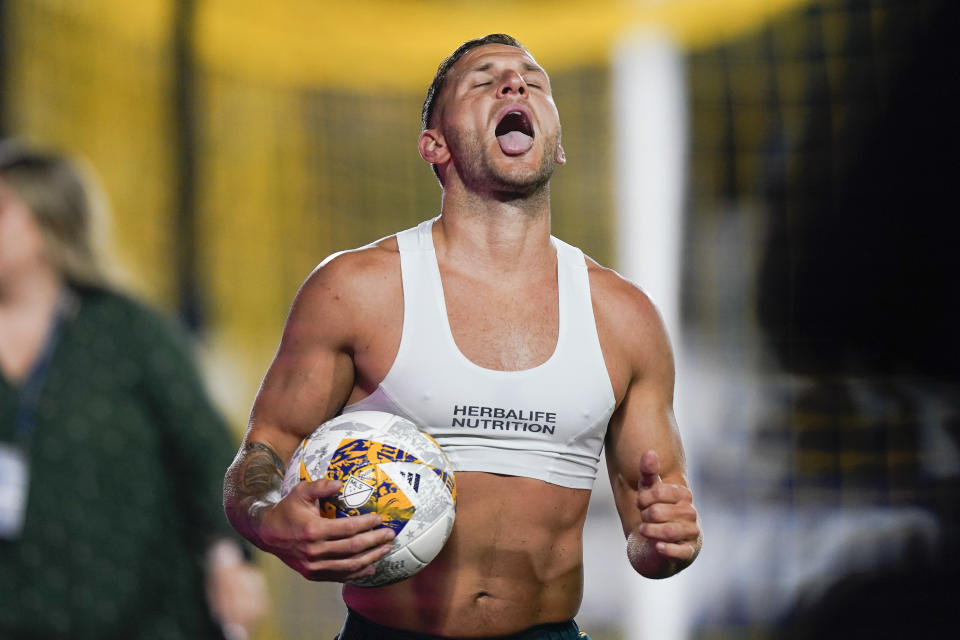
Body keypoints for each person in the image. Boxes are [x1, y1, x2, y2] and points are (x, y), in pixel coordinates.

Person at [223, 34, 702, 639]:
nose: (515, 83)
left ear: (556, 146)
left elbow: (650, 537)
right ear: (435, 144)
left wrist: (668, 541)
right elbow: (268, 444)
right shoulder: (356, 290)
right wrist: (267, 518)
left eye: (533, 78)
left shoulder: (625, 317)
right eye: (484, 80)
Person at [0, 141, 267, 639]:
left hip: (146, 618)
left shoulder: (130, 332)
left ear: (47, 221)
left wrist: (228, 558)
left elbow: (205, 454)